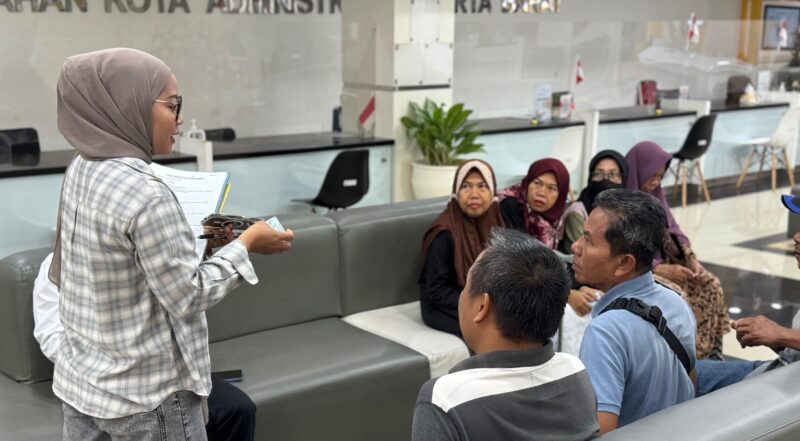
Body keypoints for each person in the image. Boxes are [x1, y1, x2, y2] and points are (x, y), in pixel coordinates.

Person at [50, 48, 294, 440]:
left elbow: (121, 268)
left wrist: (208, 243)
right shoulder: (147, 194)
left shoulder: (82, 167)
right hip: (147, 398)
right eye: (173, 105)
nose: (180, 120)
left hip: (83, 386)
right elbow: (188, 296)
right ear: (127, 104)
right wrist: (247, 243)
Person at [33, 253, 256, 441]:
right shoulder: (57, 265)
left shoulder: (152, 259)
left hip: (163, 366)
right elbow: (50, 335)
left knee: (238, 408)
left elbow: (183, 297)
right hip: (97, 375)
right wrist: (102, 359)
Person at [411, 229, 599, 441]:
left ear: (482, 305)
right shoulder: (575, 371)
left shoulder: (445, 400)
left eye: (466, 284)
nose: (462, 294)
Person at [572, 188, 697, 434]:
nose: (576, 246)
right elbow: (691, 383)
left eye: (588, 239)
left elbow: (602, 431)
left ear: (624, 263)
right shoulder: (677, 303)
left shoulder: (605, 332)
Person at [625, 141, 730, 360]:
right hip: (636, 273)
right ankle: (682, 359)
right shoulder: (622, 205)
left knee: (710, 284)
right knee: (676, 295)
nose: (655, 182)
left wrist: (691, 260)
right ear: (638, 170)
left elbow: (674, 230)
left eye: (660, 177)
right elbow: (626, 251)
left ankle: (710, 356)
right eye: (651, 176)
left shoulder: (655, 197)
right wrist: (660, 269)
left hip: (666, 266)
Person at [695, 194, 800, 396]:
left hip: (784, 387)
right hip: (781, 369)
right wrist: (777, 341)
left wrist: (781, 334)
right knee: (683, 371)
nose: (796, 237)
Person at [419, 159, 505, 336]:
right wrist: (478, 304)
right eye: (466, 186)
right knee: (491, 333)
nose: (474, 194)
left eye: (482, 186)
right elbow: (437, 291)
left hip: (486, 303)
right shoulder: (443, 232)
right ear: (456, 192)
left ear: (492, 192)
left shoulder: (497, 223)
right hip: (442, 307)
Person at [561, 150, 628, 252]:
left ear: (623, 178)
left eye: (613, 174)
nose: (605, 179)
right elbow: (584, 254)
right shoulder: (578, 212)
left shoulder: (629, 212)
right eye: (598, 173)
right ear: (591, 177)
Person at [499, 158, 570, 251]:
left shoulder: (558, 220)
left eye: (551, 188)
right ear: (528, 183)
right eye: (537, 183)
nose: (541, 193)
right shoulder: (510, 205)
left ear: (560, 195)